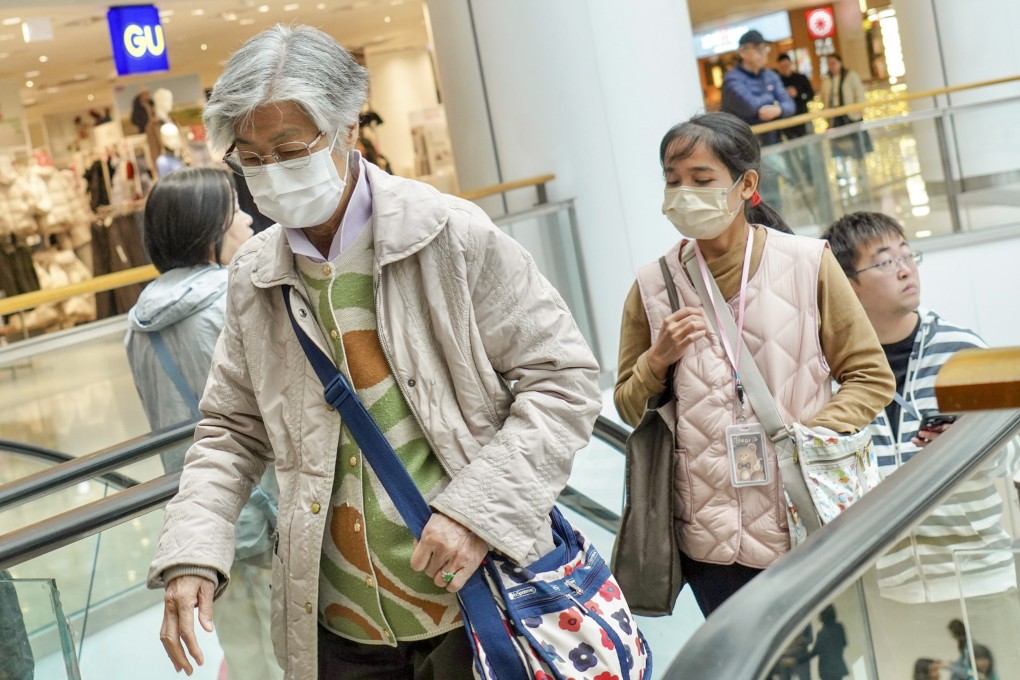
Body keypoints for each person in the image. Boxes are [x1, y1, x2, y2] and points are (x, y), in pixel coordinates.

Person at [146, 24, 602, 680]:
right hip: (334, 623)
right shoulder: (254, 276)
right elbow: (230, 430)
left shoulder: (450, 236)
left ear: (348, 130)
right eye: (251, 157)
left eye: (290, 149)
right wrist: (193, 550)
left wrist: (477, 513)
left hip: (472, 609)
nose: (270, 173)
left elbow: (561, 378)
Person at [614, 111, 893, 616]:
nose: (684, 193)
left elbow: (870, 377)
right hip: (706, 539)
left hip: (803, 518)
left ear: (746, 185)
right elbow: (629, 408)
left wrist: (809, 439)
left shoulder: (808, 263)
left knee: (822, 659)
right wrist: (657, 360)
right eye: (672, 181)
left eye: (701, 180)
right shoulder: (652, 285)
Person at [822, 211, 1020, 678]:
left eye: (909, 255)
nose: (906, 268)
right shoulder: (836, 374)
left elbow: (1010, 455)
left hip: (981, 576)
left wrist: (969, 447)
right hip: (895, 591)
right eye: (886, 261)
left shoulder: (961, 349)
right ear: (848, 284)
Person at [125, 168, 282, 680]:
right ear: (207, 229)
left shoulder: (138, 322)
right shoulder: (234, 297)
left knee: (242, 649)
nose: (246, 218)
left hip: (201, 520)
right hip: (269, 504)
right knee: (294, 649)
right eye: (233, 209)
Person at [721, 30, 796, 212]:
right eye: (758, 48)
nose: (764, 53)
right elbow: (750, 105)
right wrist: (774, 101)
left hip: (771, 146)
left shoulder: (771, 75)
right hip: (743, 153)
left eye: (765, 48)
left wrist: (778, 108)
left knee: (773, 198)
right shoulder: (732, 79)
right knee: (751, 201)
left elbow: (790, 105)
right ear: (742, 52)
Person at [820, 54, 872, 164]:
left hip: (850, 115)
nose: (831, 66)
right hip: (835, 118)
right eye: (829, 64)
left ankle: (861, 170)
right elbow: (824, 99)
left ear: (840, 63)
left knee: (858, 146)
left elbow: (859, 92)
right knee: (839, 148)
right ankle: (844, 171)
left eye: (833, 63)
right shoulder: (827, 80)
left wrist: (860, 107)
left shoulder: (850, 75)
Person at [775, 53, 814, 140]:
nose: (785, 68)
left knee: (808, 143)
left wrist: (798, 94)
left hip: (803, 117)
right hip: (786, 121)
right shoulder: (777, 82)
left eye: (786, 65)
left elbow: (810, 95)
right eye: (782, 66)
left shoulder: (801, 78)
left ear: (790, 64)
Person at [810, 605, 848, 680]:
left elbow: (814, 652)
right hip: (837, 667)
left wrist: (797, 660)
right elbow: (844, 643)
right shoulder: (839, 627)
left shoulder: (822, 633)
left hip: (826, 670)